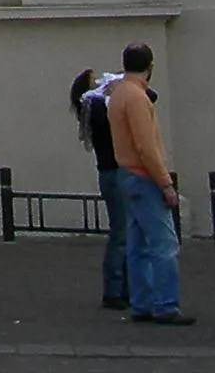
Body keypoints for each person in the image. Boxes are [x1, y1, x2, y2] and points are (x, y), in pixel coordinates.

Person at [108, 44, 194, 327]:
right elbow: (146, 147)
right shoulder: (137, 97)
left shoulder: (119, 93)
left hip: (125, 174)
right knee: (164, 243)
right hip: (144, 176)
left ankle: (141, 303)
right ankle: (166, 304)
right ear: (151, 66)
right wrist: (166, 183)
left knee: (137, 243)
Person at [70, 68, 129, 311]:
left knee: (124, 231)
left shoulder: (98, 108)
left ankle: (123, 288)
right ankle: (114, 290)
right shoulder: (96, 109)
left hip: (112, 173)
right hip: (114, 173)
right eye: (96, 81)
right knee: (121, 232)